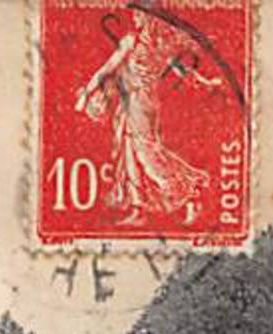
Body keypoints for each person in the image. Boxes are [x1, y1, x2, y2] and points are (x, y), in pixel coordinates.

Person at [75, 6, 221, 226]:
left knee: (147, 153)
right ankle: (137, 208)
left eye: (138, 14)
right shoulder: (154, 44)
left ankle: (189, 192)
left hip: (141, 102)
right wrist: (205, 82)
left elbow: (107, 69)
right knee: (130, 152)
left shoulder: (141, 43)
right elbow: (109, 69)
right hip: (132, 101)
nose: (134, 18)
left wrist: (86, 94)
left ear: (149, 17)